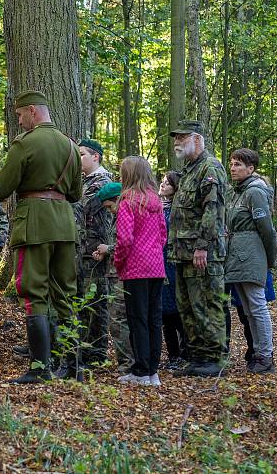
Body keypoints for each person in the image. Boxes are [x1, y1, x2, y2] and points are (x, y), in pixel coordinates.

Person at [0, 90, 82, 384]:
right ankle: (72, 366)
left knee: (33, 293)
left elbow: (1, 189)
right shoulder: (70, 146)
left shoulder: (24, 144)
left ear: (33, 111)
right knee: (66, 294)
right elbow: (75, 194)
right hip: (64, 226)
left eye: (20, 115)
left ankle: (40, 368)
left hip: (34, 225)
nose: (20, 121)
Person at [168, 121, 228, 378]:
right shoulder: (189, 169)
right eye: (175, 138)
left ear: (197, 139)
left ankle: (214, 356)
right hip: (182, 253)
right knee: (188, 306)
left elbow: (212, 211)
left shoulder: (210, 167)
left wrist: (202, 247)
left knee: (206, 301)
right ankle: (198, 356)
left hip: (203, 253)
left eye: (182, 137)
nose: (177, 142)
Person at [113, 157, 167, 387]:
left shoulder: (127, 202)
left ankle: (141, 370)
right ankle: (152, 370)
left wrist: (118, 262)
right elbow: (163, 236)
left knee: (137, 319)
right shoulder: (156, 201)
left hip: (135, 268)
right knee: (153, 318)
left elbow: (124, 239)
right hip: (156, 267)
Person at [225, 149, 277, 374]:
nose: (233, 168)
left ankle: (265, 355)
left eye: (238, 164)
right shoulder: (236, 192)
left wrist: (268, 259)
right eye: (232, 164)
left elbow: (267, 229)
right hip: (237, 256)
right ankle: (258, 353)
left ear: (251, 168)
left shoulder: (255, 192)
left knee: (257, 307)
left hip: (252, 255)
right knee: (247, 309)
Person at [74, 139, 113, 368]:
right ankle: (85, 349)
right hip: (83, 248)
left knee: (96, 302)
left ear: (95, 156)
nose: (79, 159)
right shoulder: (84, 181)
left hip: (96, 249)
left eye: (82, 155)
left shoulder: (102, 181)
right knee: (84, 299)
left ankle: (97, 353)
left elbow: (83, 207)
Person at [92, 183, 134, 374]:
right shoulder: (117, 216)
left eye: (110, 206)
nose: (109, 211)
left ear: (118, 198)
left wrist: (107, 249)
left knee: (118, 321)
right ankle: (126, 363)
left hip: (124, 275)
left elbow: (127, 245)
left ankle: (128, 365)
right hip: (115, 273)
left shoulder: (126, 213)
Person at [158, 171, 188, 370]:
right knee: (164, 313)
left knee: (176, 311)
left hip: (173, 263)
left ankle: (187, 352)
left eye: (167, 183)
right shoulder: (158, 208)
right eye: (162, 181)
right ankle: (173, 355)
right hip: (158, 262)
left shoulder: (178, 210)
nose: (162, 185)